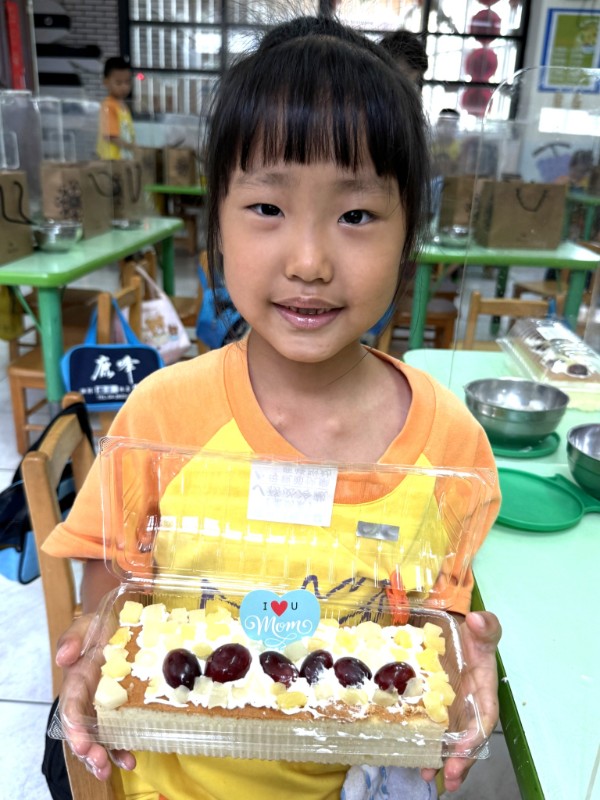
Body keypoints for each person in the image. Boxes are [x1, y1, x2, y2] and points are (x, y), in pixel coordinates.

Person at [43, 15, 502, 800]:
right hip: (168, 786)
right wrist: (94, 636)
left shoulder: (451, 450)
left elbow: (435, 619)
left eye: (356, 215)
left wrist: (462, 664)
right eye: (266, 207)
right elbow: (112, 580)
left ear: (408, 237)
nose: (310, 261)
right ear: (215, 223)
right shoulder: (163, 417)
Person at [97, 56, 135, 160]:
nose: (124, 87)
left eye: (127, 82)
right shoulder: (108, 106)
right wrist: (134, 148)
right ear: (106, 82)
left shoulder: (123, 106)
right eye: (118, 83)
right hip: (110, 161)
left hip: (122, 159)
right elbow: (111, 136)